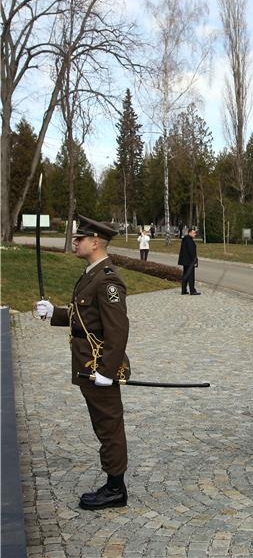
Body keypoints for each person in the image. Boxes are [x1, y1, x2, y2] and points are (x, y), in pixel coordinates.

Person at [34, 215, 131, 510]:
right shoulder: (91, 274)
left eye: (80, 238)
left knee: (109, 425)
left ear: (96, 242)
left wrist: (107, 370)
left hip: (98, 367)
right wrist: (55, 313)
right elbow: (84, 318)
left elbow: (117, 330)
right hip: (87, 366)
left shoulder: (108, 279)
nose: (75, 242)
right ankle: (113, 483)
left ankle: (116, 489)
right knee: (102, 424)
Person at [178, 227, 200, 295]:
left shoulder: (185, 239)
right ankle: (192, 291)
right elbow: (191, 251)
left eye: (195, 233)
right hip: (189, 261)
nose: (195, 234)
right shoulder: (189, 240)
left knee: (185, 275)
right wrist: (195, 260)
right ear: (189, 233)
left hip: (185, 261)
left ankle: (184, 290)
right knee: (191, 276)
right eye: (193, 233)